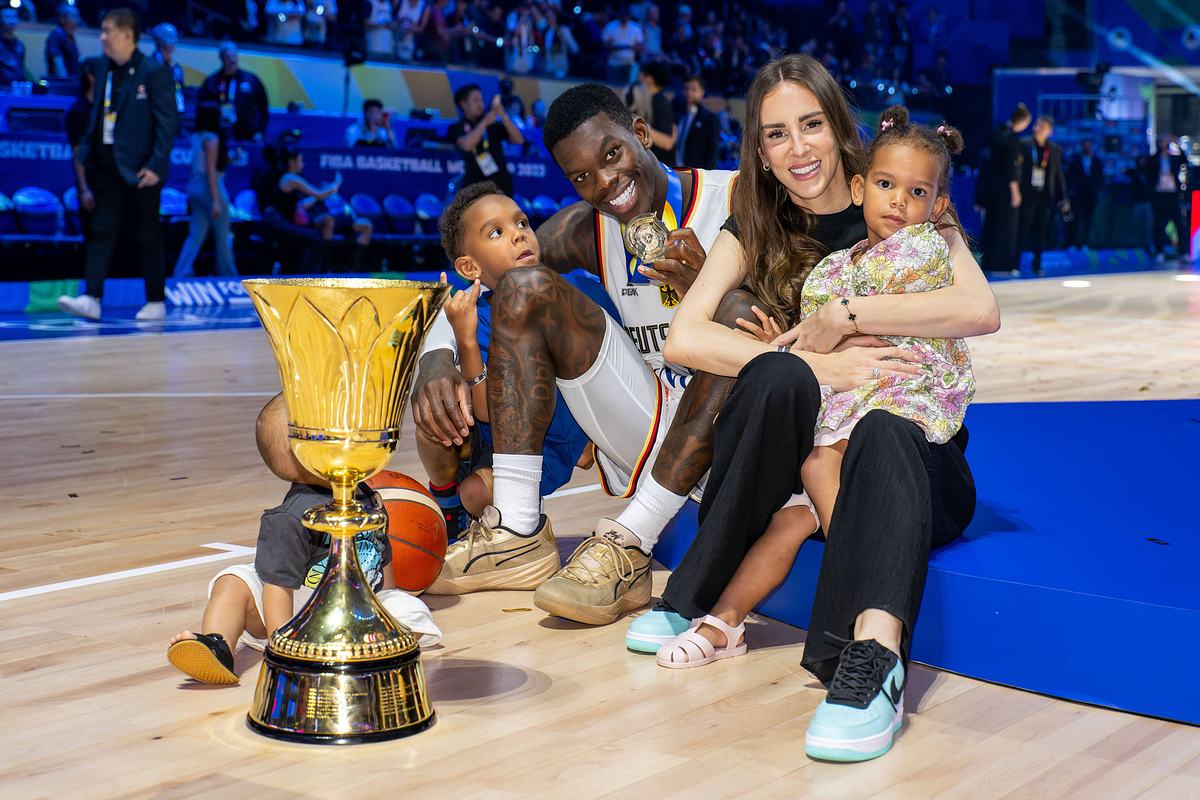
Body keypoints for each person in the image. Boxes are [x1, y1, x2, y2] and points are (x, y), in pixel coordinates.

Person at [639, 54, 997, 762]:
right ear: (760, 150)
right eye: (776, 135)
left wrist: (849, 312)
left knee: (885, 432)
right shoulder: (758, 219)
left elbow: (980, 308)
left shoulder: (913, 198)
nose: (798, 148)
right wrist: (813, 359)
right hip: (820, 451)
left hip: (912, 457)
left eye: (811, 125)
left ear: (840, 130)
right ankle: (699, 593)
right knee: (776, 377)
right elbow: (686, 336)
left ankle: (868, 664)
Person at [417, 84, 738, 629]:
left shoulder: (736, 199)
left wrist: (713, 294)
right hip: (648, 421)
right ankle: (517, 531)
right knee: (524, 287)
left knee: (733, 321)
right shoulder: (584, 229)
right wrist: (439, 354)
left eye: (611, 155)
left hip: (736, 421)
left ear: (640, 133)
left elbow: (788, 322)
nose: (604, 183)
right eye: (581, 176)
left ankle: (630, 539)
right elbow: (492, 278)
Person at [165, 399, 440, 685]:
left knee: (410, 608)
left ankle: (366, 646)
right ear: (306, 452)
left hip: (359, 609)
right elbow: (277, 588)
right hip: (298, 611)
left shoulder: (366, 494)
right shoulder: (290, 517)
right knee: (234, 580)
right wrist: (283, 647)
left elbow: (382, 555)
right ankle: (218, 644)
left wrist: (388, 600)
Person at [420, 182, 618, 540]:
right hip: (492, 429)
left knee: (476, 493)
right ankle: (449, 509)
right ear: (469, 266)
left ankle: (489, 507)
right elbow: (485, 414)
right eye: (497, 232)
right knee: (433, 419)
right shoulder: (473, 314)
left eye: (522, 223)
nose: (519, 236)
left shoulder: (579, 289)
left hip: (550, 444)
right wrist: (465, 339)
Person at [57, 9, 177, 322]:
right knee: (101, 231)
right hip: (106, 164)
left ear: (127, 34)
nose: (102, 37)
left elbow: (168, 123)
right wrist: (86, 151)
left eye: (107, 31)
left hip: (141, 170)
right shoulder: (102, 68)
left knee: (147, 235)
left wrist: (155, 165)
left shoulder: (153, 71)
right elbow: (97, 114)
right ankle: (91, 297)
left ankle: (155, 300)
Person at [276, 148, 373, 270]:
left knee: (365, 225)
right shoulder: (289, 178)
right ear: (291, 162)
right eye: (300, 160)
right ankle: (327, 267)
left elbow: (311, 200)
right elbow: (315, 196)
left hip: (314, 216)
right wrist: (334, 186)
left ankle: (354, 269)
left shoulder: (298, 178)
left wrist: (323, 196)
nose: (303, 164)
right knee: (328, 220)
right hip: (296, 223)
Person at [172, 103, 238, 279]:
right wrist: (216, 200)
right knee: (223, 235)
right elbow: (211, 170)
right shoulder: (212, 139)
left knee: (196, 235)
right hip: (210, 187)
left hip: (194, 187)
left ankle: (180, 273)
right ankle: (229, 276)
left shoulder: (196, 137)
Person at [448, 83, 524, 197]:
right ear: (463, 104)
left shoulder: (493, 125)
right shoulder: (456, 127)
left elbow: (518, 139)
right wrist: (484, 122)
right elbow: (467, 145)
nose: (480, 104)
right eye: (475, 100)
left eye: (482, 100)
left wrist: (502, 114)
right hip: (474, 186)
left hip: (501, 184)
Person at [980, 102, 1030, 273]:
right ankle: (1003, 264)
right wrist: (1015, 191)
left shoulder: (997, 133)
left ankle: (989, 262)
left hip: (992, 188)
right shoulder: (1012, 140)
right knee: (1006, 227)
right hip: (1005, 190)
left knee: (991, 224)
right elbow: (1011, 167)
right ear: (1022, 122)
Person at [1018, 115, 1068, 277]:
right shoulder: (1024, 144)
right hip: (1027, 194)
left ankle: (1037, 264)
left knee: (1041, 231)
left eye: (1042, 126)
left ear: (1049, 131)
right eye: (1037, 125)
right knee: (1022, 228)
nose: (1037, 128)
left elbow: (1058, 175)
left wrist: (1063, 198)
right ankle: (1014, 262)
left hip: (1045, 196)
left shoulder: (1054, 150)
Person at [198, 41, 269, 142]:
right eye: (228, 57)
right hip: (219, 136)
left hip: (248, 136)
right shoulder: (212, 81)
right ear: (222, 58)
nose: (232, 60)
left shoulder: (251, 80)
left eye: (234, 56)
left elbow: (263, 108)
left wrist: (260, 131)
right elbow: (203, 108)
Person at [66, 60, 97, 240]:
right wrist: (84, 189)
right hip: (91, 183)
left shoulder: (108, 110)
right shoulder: (79, 112)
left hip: (111, 184)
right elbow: (79, 154)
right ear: (91, 77)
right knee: (94, 239)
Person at [1149, 134, 1187, 262]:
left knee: (1179, 224)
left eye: (1164, 141)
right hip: (1160, 195)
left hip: (1172, 195)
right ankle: (1160, 251)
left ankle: (1183, 252)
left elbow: (1184, 160)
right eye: (1159, 141)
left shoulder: (1173, 158)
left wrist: (1177, 144)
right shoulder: (1155, 158)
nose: (1162, 144)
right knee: (1159, 225)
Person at [675, 74, 719, 170]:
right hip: (673, 169)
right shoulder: (677, 114)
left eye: (693, 89)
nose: (689, 93)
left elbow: (713, 150)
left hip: (695, 173)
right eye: (686, 89)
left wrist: (707, 175)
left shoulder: (709, 118)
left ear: (701, 92)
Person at [1066, 137, 1104, 248]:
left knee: (1089, 218)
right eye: (1085, 145)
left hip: (1091, 194)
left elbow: (1100, 177)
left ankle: (1085, 243)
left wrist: (1098, 190)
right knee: (1076, 218)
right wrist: (1071, 190)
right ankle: (1074, 243)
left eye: (1089, 145)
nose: (1087, 148)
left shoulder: (1097, 161)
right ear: (1081, 147)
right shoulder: (1075, 161)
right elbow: (1070, 176)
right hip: (1078, 193)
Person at [635, 61, 675, 164]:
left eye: (642, 74)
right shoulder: (646, 99)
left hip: (658, 166)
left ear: (650, 79)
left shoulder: (659, 102)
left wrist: (642, 128)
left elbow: (667, 142)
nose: (638, 77)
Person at [150, 23, 186, 116]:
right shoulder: (150, 66)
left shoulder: (176, 68)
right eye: (171, 38)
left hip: (173, 114)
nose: (175, 43)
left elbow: (180, 90)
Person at [602, 11, 643, 85]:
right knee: (612, 87)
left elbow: (640, 46)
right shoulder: (611, 26)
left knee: (627, 89)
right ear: (619, 16)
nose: (624, 19)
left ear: (629, 17)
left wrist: (634, 47)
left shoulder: (636, 28)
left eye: (626, 17)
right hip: (613, 63)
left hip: (629, 64)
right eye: (623, 17)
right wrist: (623, 46)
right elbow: (605, 44)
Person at [45, 3, 81, 79]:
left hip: (72, 80)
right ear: (63, 19)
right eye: (74, 17)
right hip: (61, 83)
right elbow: (57, 62)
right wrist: (65, 81)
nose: (77, 20)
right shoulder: (56, 36)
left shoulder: (70, 36)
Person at [542, 8, 579, 78]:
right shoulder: (547, 30)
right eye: (547, 15)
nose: (549, 17)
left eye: (551, 15)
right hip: (549, 65)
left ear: (555, 16)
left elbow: (574, 47)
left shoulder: (563, 29)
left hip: (560, 65)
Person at [0, 9, 26, 87]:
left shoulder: (20, 45)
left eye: (14, 16)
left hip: (17, 87)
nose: (12, 20)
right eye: (8, 17)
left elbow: (21, 68)